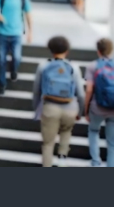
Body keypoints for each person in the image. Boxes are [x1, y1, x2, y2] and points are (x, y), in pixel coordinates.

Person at [32, 36, 85, 167]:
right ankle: (62, 159)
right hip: (70, 108)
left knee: (48, 144)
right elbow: (80, 94)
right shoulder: (74, 67)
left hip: (50, 108)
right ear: (67, 50)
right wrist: (81, 112)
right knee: (66, 132)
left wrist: (37, 109)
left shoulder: (43, 66)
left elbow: (36, 91)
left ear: (50, 50)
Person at [85, 38, 114, 167]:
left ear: (98, 51)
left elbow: (89, 90)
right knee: (113, 145)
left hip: (97, 108)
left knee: (93, 132)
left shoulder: (92, 66)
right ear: (112, 50)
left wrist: (86, 109)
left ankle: (96, 163)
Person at [0, 0, 33, 95]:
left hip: (16, 33)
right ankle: (1, 85)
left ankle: (13, 71)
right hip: (3, 33)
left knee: (17, 57)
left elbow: (28, 15)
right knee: (1, 60)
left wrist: (30, 32)